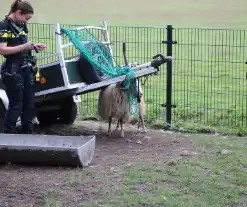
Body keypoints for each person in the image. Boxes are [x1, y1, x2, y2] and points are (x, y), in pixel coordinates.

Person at [0, 0, 46, 134]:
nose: (26, 21)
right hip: (12, 71)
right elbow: (2, 50)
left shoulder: (21, 26)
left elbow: (22, 46)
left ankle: (28, 136)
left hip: (27, 69)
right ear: (19, 12)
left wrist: (34, 46)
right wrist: (23, 47)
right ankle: (7, 138)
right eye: (26, 18)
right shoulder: (4, 27)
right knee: (16, 106)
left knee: (29, 104)